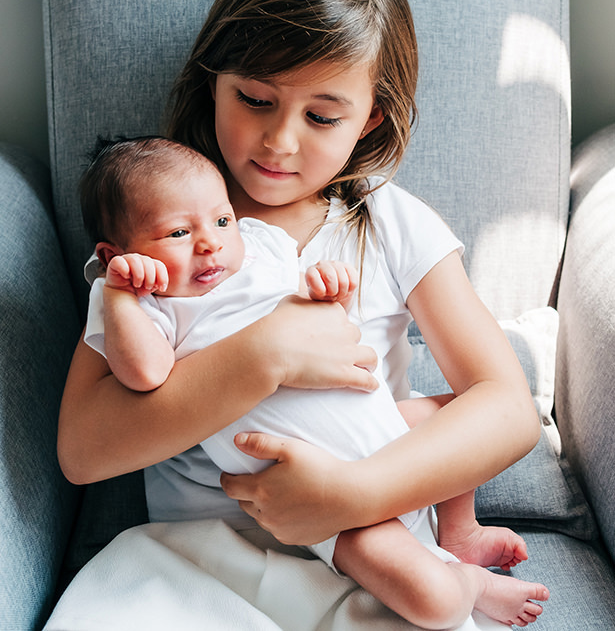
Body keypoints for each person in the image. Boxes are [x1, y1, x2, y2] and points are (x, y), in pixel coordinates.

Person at [59, 0, 548, 628]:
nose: (279, 142)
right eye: (255, 99)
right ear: (213, 84)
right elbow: (82, 451)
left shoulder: (389, 222)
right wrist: (266, 356)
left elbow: (507, 409)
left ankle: (448, 554)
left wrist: (351, 493)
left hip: (374, 531)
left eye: (320, 116)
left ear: (369, 118)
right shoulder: (154, 235)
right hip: (204, 556)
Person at [79, 135, 548, 628]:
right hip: (305, 489)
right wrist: (119, 296)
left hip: (384, 434)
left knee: (461, 416)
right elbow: (145, 373)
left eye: (222, 221)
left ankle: (460, 531)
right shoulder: (149, 304)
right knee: (435, 602)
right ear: (115, 256)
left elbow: (323, 328)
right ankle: (470, 584)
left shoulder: (259, 244)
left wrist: (327, 293)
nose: (210, 243)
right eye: (178, 233)